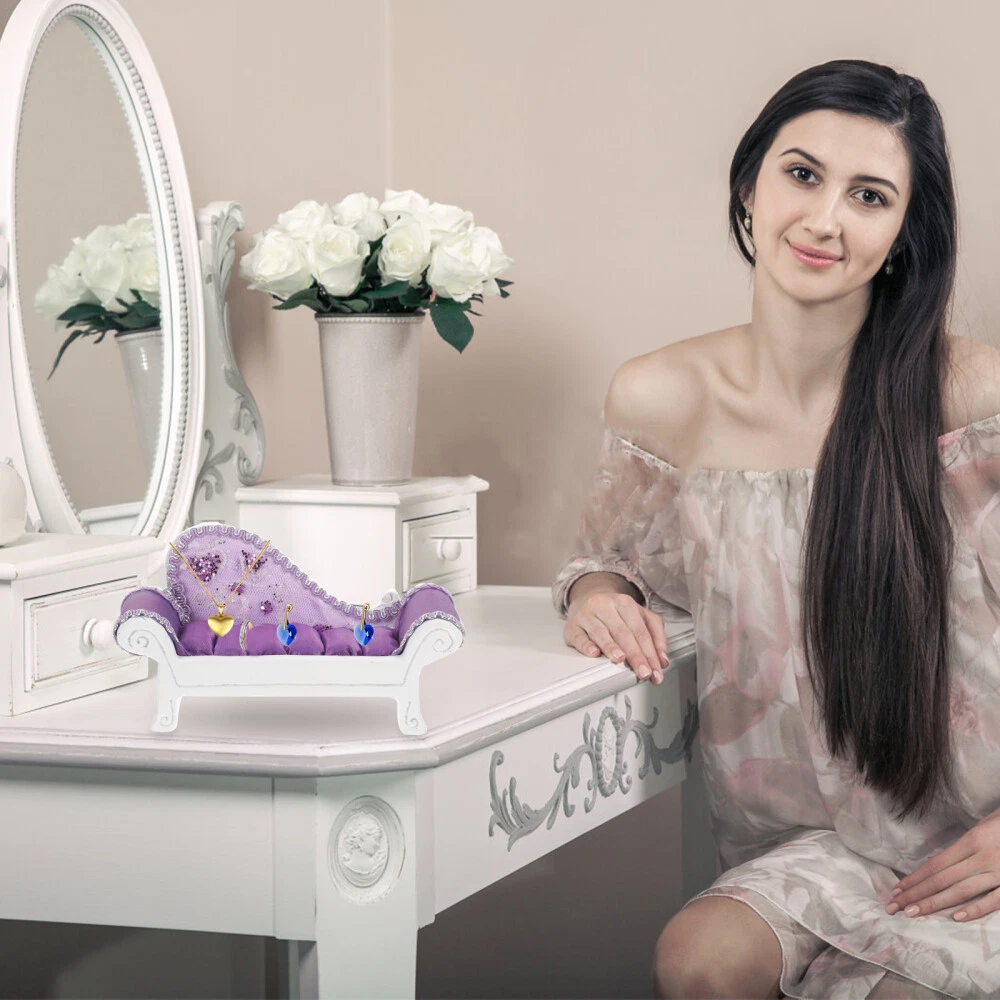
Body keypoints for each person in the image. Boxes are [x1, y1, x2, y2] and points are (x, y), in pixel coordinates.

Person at [551, 58, 1000, 999]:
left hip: (981, 839)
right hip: (813, 849)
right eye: (802, 174)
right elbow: (616, 558)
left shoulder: (972, 398)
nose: (825, 219)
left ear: (903, 234)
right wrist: (596, 593)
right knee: (697, 962)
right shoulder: (662, 397)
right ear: (750, 184)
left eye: (869, 196)